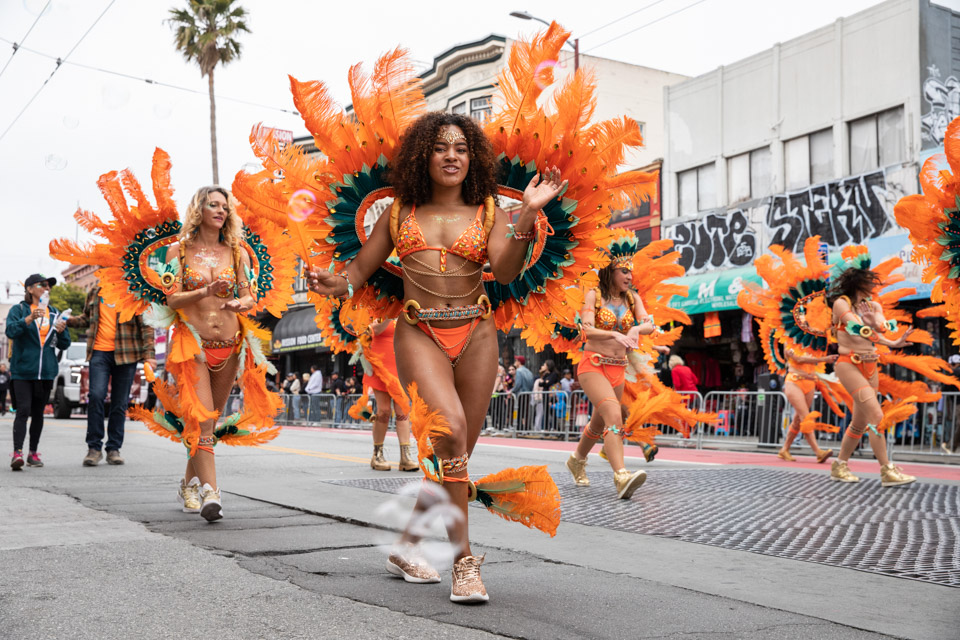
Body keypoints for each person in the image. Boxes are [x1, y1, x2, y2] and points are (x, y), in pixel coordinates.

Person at [307, 113, 565, 602]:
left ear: (474, 159)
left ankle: (407, 545)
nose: (452, 156)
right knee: (448, 431)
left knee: (455, 457)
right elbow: (357, 273)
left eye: (461, 148)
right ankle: (464, 562)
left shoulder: (490, 211)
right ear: (422, 155)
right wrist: (330, 283)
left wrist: (528, 212)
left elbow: (507, 272)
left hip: (478, 334)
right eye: (441, 147)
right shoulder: (400, 212)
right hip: (419, 331)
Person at [565, 240, 656, 499]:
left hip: (618, 369)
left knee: (598, 423)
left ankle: (577, 459)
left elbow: (650, 324)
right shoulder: (594, 295)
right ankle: (621, 476)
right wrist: (616, 335)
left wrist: (637, 329)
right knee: (614, 415)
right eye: (624, 271)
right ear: (610, 271)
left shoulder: (632, 298)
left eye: (630, 271)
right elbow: (586, 330)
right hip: (593, 366)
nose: (629, 276)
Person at [827, 264, 916, 486]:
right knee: (878, 418)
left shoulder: (873, 305)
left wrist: (875, 323)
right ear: (858, 284)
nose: (873, 286)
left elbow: (882, 326)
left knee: (859, 424)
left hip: (871, 366)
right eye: (869, 282)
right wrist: (892, 343)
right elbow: (859, 329)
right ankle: (887, 470)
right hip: (849, 364)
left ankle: (839, 465)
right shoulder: (841, 304)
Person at [69, 284, 156, 467]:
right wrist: (68, 321)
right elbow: (87, 318)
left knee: (119, 402)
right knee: (96, 396)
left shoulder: (134, 290)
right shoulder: (95, 291)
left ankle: (113, 448)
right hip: (99, 352)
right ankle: (94, 448)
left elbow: (147, 324)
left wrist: (150, 355)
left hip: (127, 353)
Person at [6, 274, 71, 470]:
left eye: (48, 285)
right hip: (23, 370)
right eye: (42, 285)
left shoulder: (54, 313)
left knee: (38, 413)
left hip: (46, 372)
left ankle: (33, 453)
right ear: (30, 289)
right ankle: (17, 453)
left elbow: (65, 343)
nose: (46, 288)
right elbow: (10, 331)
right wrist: (28, 319)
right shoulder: (18, 310)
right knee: (23, 410)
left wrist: (61, 331)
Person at [365, 319, 417, 471]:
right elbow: (374, 330)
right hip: (379, 365)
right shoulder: (378, 310)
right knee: (384, 410)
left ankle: (405, 456)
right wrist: (389, 313)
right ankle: (377, 454)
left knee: (403, 410)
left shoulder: (404, 310)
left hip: (400, 366)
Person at [776, 348, 838, 463]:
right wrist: (824, 359)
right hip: (794, 382)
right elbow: (798, 358)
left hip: (810, 383)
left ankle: (784, 450)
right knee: (806, 418)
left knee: (798, 420)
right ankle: (818, 452)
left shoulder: (813, 343)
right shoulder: (789, 339)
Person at [513, 356, 534, 431]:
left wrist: (512, 391)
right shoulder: (529, 371)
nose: (515, 362)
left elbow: (518, 384)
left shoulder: (519, 371)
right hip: (528, 394)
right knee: (526, 412)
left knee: (519, 411)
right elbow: (532, 384)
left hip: (520, 394)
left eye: (516, 360)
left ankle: (518, 428)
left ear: (519, 362)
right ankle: (526, 428)